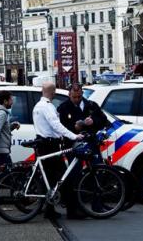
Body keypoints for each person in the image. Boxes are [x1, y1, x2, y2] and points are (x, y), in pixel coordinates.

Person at [56, 84, 108, 219]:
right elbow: (59, 126)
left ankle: (97, 205)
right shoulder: (63, 107)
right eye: (74, 97)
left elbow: (104, 120)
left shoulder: (91, 105)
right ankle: (75, 209)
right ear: (69, 95)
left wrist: (93, 121)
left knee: (98, 172)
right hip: (73, 145)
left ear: (82, 94)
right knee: (75, 176)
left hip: (90, 143)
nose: (76, 99)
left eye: (79, 96)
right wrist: (74, 127)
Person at [33, 82, 83, 220]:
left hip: (43, 143)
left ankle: (49, 210)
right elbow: (56, 125)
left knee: (51, 180)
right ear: (53, 92)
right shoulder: (47, 107)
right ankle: (72, 212)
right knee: (63, 178)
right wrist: (74, 136)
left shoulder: (38, 106)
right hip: (50, 145)